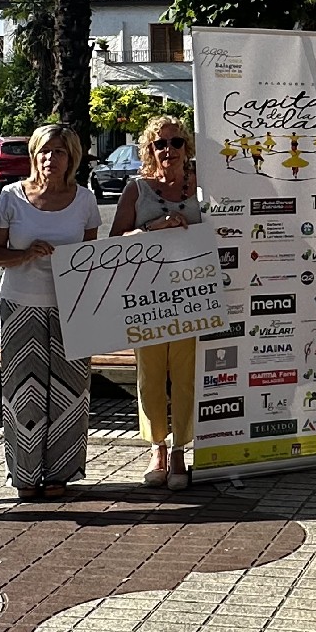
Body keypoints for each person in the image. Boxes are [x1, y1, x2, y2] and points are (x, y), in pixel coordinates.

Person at [0, 123, 100, 500]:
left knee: (70, 390)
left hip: (71, 308)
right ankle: (25, 475)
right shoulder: (11, 197)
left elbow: (90, 258)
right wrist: (25, 254)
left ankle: (60, 473)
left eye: (60, 151)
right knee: (23, 391)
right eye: (44, 151)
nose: (51, 158)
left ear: (72, 158)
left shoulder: (84, 200)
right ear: (34, 155)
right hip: (20, 303)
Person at [111, 113, 200, 490]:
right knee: (149, 376)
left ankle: (181, 448)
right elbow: (114, 241)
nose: (168, 150)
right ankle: (157, 447)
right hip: (146, 297)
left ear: (186, 147)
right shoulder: (137, 189)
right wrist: (151, 229)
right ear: (149, 149)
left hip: (193, 296)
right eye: (159, 143)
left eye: (175, 142)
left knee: (185, 376)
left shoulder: (202, 187)